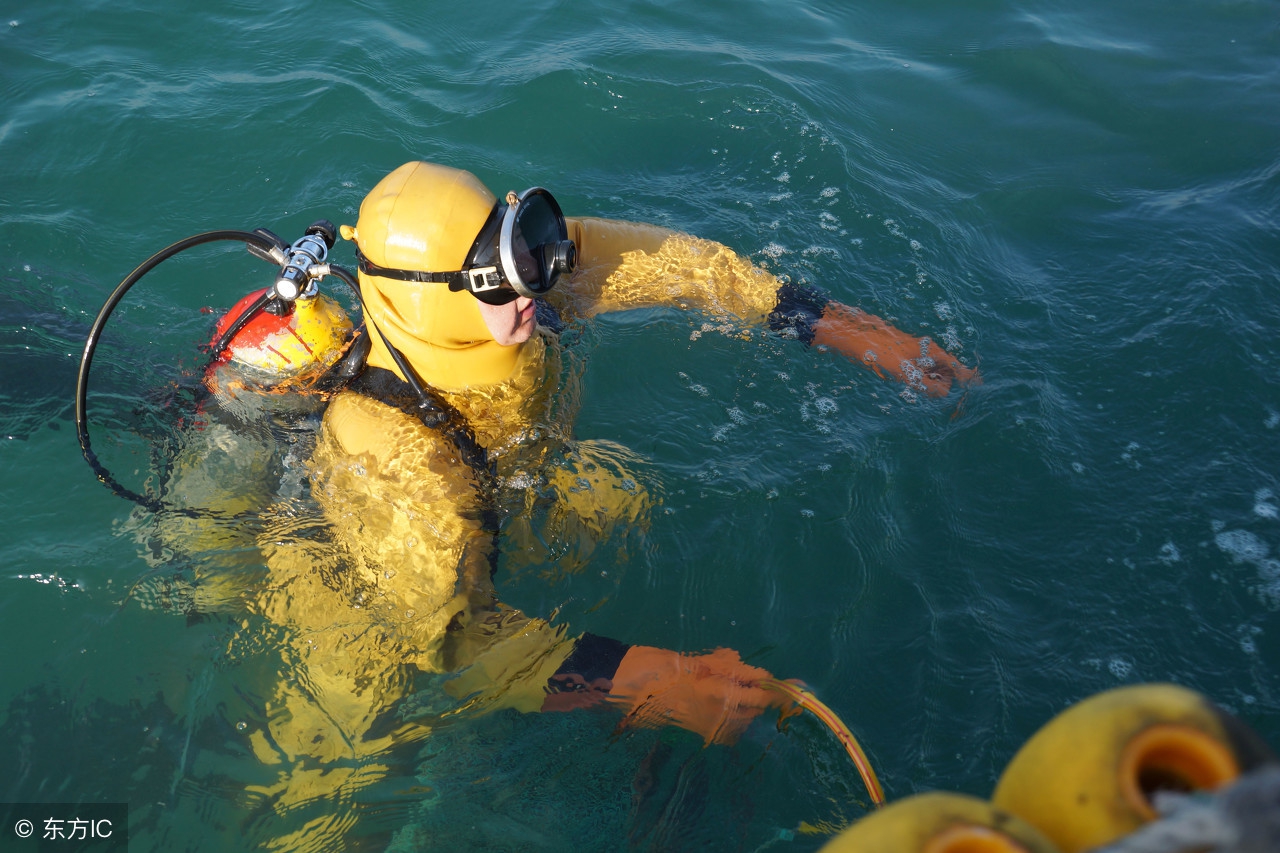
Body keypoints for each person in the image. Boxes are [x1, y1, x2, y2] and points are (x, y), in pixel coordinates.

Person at [139, 160, 977, 849]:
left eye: (529, 263)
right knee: (339, 801)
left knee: (626, 497)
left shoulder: (517, 288)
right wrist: (665, 682)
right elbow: (456, 640)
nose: (533, 296)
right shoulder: (392, 454)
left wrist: (846, 328)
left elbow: (675, 264)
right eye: (501, 285)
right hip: (357, 591)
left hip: (502, 494)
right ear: (428, 292)